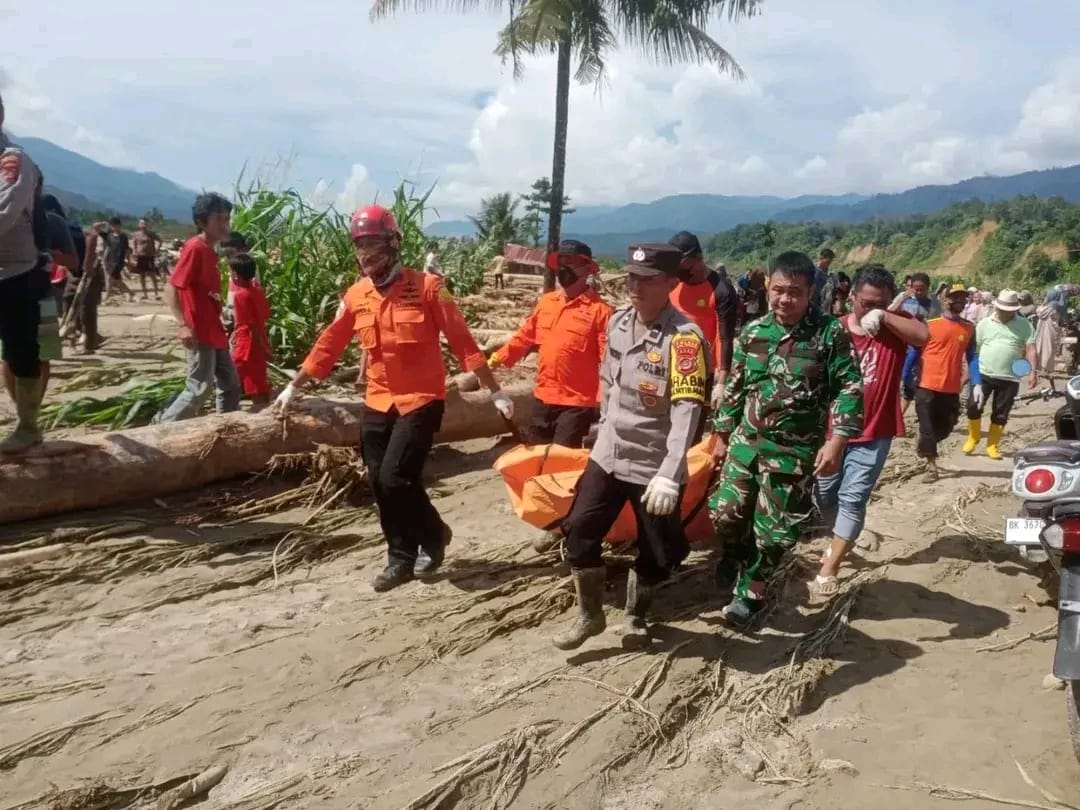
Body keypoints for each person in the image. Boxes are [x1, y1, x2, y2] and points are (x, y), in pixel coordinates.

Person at [274, 205, 514, 592]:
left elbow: (463, 342)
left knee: (395, 476)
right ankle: (399, 557)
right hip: (378, 399)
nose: (366, 255)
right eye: (360, 246)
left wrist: (496, 391)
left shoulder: (428, 288)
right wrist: (295, 385)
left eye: (373, 245)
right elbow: (329, 345)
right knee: (379, 481)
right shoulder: (357, 295)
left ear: (393, 244)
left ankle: (433, 535)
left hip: (422, 399)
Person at [551, 243, 710, 651]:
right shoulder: (619, 322)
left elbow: (686, 411)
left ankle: (637, 614)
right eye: (632, 278)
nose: (634, 287)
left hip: (653, 465)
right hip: (609, 454)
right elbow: (610, 385)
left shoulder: (685, 340)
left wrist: (670, 474)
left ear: (671, 284)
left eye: (646, 280)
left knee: (662, 552)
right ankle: (590, 614)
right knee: (579, 534)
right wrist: (602, 430)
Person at [710, 251, 863, 628]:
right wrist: (720, 434)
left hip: (792, 451)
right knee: (724, 514)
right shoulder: (754, 331)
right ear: (767, 287)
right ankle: (735, 553)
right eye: (778, 290)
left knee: (776, 532)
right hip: (746, 443)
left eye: (795, 292)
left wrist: (837, 441)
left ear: (811, 291)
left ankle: (750, 592)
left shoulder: (830, 333)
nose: (784, 299)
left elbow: (849, 387)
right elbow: (736, 388)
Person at [813, 265, 928, 594]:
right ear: (852, 298)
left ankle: (829, 568)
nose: (871, 308)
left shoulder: (894, 330)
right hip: (832, 430)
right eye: (866, 303)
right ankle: (843, 535)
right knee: (824, 494)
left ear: (890, 301)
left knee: (854, 497)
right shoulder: (834, 330)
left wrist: (885, 317)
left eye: (881, 303)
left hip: (875, 430)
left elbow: (923, 337)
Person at [488, 240, 611, 448]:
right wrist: (498, 358)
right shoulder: (547, 302)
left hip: (577, 403)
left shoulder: (601, 312)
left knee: (561, 459)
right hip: (543, 397)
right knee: (537, 454)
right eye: (560, 262)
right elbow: (525, 335)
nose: (563, 268)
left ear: (587, 268)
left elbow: (608, 361)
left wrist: (604, 399)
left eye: (570, 262)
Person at [155, 193, 242, 423]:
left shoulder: (210, 251)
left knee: (231, 385)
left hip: (214, 331)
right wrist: (182, 325)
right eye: (219, 219)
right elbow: (172, 287)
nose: (225, 225)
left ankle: (226, 427)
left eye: (227, 219)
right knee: (199, 389)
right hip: (199, 331)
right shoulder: (195, 248)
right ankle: (163, 427)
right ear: (203, 222)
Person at [0, 93, 51, 453]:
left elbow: (5, 213)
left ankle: (29, 426)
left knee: (22, 352)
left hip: (17, 272)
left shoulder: (12, 160)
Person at [1, 192, 78, 403]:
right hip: (8, 299)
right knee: (9, 355)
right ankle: (21, 411)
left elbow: (72, 261)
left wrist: (49, 255)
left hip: (44, 299)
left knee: (44, 354)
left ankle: (33, 410)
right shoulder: (4, 217)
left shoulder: (53, 222)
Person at [905, 284, 978, 481]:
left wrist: (976, 382)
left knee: (948, 425)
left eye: (964, 298)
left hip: (951, 387)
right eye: (956, 298)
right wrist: (904, 379)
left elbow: (972, 357)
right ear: (946, 300)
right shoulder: (930, 324)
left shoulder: (969, 328)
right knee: (927, 426)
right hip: (926, 385)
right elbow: (913, 354)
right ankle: (932, 466)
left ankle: (925, 444)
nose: (960, 301)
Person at [667, 231, 736, 414]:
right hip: (668, 365)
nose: (680, 272)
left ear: (698, 257)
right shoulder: (673, 284)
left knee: (692, 427)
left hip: (700, 372)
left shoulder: (721, 291)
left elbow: (725, 337)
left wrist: (721, 381)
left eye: (683, 266)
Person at [964, 289, 1037, 460]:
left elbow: (1031, 349)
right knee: (973, 406)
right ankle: (973, 437)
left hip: (1010, 377)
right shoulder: (984, 324)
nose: (1006, 313)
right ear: (997, 308)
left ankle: (992, 445)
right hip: (984, 374)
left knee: (1001, 412)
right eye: (1003, 310)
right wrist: (969, 374)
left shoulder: (1024, 325)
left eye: (1010, 311)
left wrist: (1033, 372)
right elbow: (974, 351)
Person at [228, 253, 272, 408]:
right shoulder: (258, 291)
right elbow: (264, 316)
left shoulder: (240, 295)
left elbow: (248, 324)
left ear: (236, 274)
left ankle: (257, 410)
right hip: (258, 339)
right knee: (259, 379)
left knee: (239, 377)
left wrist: (258, 344)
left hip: (246, 342)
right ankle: (265, 407)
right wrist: (265, 346)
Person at [102, 216, 134, 304]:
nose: (114, 227)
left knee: (110, 279)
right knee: (115, 280)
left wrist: (128, 261)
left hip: (119, 260)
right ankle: (130, 293)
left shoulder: (123, 237)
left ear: (119, 226)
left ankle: (107, 297)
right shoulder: (109, 236)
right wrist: (104, 259)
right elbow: (107, 248)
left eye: (116, 225)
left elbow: (127, 250)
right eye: (112, 226)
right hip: (109, 260)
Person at [131, 218, 162, 300]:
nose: (143, 225)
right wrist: (134, 253)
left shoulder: (151, 234)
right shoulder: (136, 234)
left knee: (152, 275)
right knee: (142, 276)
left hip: (150, 256)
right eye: (142, 224)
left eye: (145, 224)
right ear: (139, 225)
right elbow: (133, 244)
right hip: (140, 257)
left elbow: (160, 240)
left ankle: (156, 293)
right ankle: (145, 294)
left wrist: (157, 250)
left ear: (147, 225)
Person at [1034, 290, 1062, 379]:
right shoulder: (1056, 305)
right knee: (1049, 349)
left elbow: (1038, 311)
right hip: (1050, 331)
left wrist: (1043, 303)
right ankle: (1046, 369)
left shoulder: (1045, 307)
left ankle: (1039, 368)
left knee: (1040, 347)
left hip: (1043, 330)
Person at [811, 248, 836, 313]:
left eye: (830, 261)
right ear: (821, 257)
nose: (829, 263)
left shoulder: (830, 275)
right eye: (827, 261)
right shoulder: (811, 269)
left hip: (820, 304)